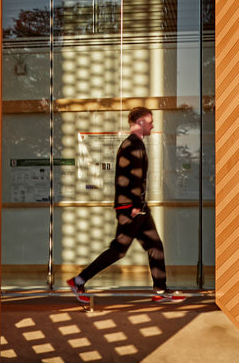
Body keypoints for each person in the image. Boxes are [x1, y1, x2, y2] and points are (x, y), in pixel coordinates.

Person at [67, 107, 184, 305]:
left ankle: (161, 289)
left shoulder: (133, 144)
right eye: (150, 121)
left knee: (155, 246)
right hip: (132, 208)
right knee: (118, 250)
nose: (152, 125)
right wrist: (135, 205)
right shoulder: (133, 144)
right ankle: (78, 281)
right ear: (140, 122)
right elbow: (131, 177)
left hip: (136, 207)